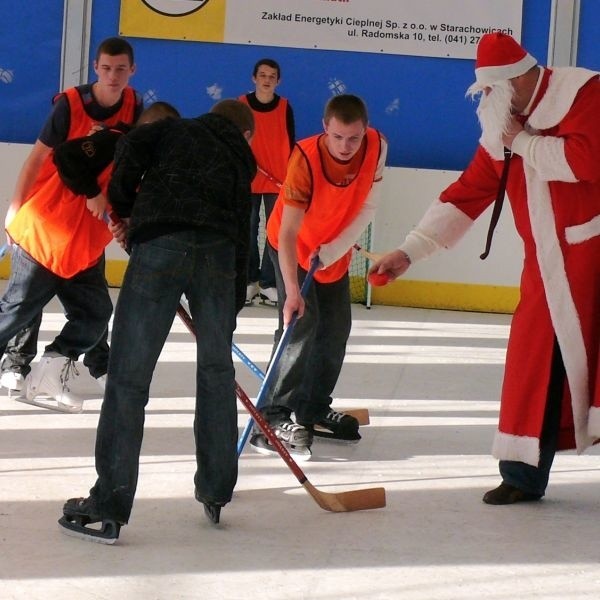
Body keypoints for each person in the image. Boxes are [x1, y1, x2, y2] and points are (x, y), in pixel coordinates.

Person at [369, 32, 600, 505]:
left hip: (595, 256)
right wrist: (410, 251)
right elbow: (470, 191)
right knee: (532, 364)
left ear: (517, 78)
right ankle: (521, 474)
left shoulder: (584, 94)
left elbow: (587, 159)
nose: (490, 101)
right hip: (547, 267)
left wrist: (526, 143)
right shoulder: (503, 126)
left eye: (495, 89)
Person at [58, 99, 256, 544]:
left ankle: (108, 507)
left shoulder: (175, 128)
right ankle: (217, 490)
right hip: (219, 256)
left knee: (128, 379)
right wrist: (230, 306)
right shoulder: (242, 157)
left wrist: (126, 208)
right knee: (217, 372)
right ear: (245, 134)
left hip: (162, 245)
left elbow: (130, 148)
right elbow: (244, 232)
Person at [1, 36, 142, 412]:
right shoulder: (70, 105)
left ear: (132, 71)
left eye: (121, 69)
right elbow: (40, 159)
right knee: (19, 309)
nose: (113, 76)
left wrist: (121, 218)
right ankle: (17, 362)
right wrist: (14, 209)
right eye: (107, 68)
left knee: (95, 311)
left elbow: (123, 176)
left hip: (85, 236)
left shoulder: (133, 109)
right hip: (48, 221)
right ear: (96, 68)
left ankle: (60, 363)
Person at [249, 94, 387, 460]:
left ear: (365, 130)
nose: (346, 146)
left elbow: (368, 206)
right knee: (301, 325)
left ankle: (311, 410)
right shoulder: (305, 160)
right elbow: (289, 233)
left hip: (331, 251)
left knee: (336, 329)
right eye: (338, 137)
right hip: (293, 249)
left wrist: (335, 250)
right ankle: (271, 417)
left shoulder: (377, 146)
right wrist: (292, 291)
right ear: (326, 127)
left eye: (353, 138)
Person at [239, 58, 295, 305]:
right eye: (262, 75)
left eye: (272, 76)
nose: (267, 80)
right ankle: (249, 282)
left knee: (276, 234)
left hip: (278, 182)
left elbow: (291, 144)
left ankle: (268, 283)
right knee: (247, 230)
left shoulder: (285, 107)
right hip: (248, 179)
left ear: (278, 81)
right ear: (254, 78)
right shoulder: (241, 105)